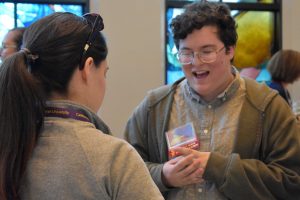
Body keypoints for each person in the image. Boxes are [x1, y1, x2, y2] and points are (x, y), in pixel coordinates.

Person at [125, 1, 300, 199]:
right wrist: (162, 176)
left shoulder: (268, 107)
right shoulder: (153, 107)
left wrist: (218, 167)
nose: (196, 63)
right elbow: (124, 174)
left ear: (230, 50)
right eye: (186, 53)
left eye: (207, 52)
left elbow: (291, 181)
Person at [0, 12, 164, 200]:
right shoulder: (114, 157)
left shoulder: (9, 144)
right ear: (87, 68)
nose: (104, 82)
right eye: (105, 73)